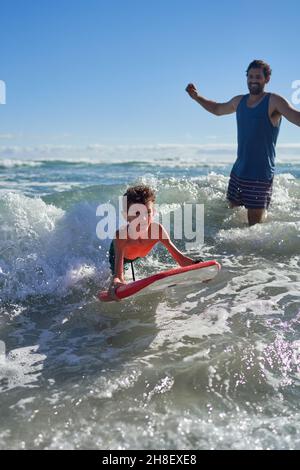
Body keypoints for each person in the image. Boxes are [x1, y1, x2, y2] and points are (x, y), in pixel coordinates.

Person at [186, 59, 300, 226]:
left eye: (258, 76)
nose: (253, 80)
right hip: (239, 171)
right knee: (231, 219)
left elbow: (296, 117)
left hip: (260, 175)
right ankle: (231, 253)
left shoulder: (274, 101)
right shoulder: (239, 101)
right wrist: (197, 97)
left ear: (266, 79)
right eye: (250, 76)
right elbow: (217, 109)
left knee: (254, 228)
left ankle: (255, 254)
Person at [108, 184, 202, 300]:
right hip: (120, 255)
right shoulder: (121, 236)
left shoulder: (157, 231)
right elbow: (118, 275)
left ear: (153, 212)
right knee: (117, 279)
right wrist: (117, 284)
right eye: (137, 213)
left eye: (147, 212)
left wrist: (198, 267)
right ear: (126, 216)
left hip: (136, 254)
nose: (143, 219)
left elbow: (180, 259)